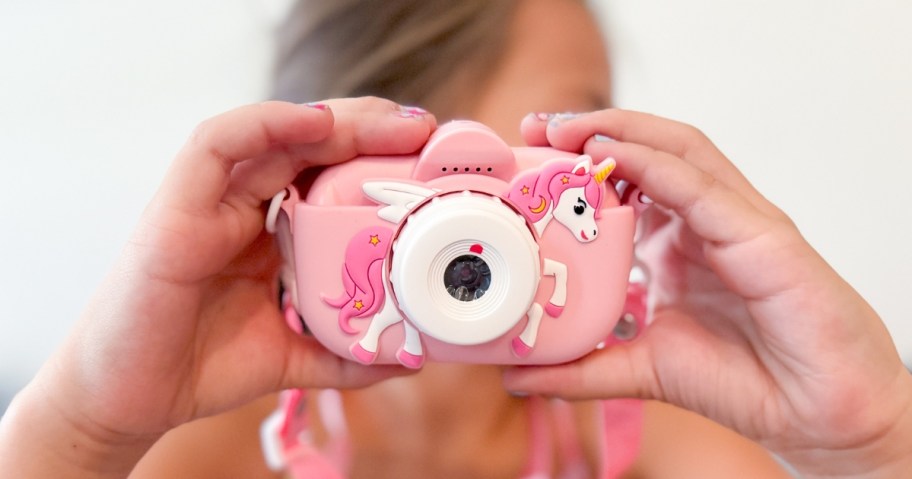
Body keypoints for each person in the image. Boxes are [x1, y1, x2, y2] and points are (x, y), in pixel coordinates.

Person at [1, 1, 910, 478]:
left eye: (592, 132)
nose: (596, 169)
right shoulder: (205, 449)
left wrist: (872, 445)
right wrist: (79, 432)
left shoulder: (640, 445)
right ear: (362, 165)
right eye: (558, 131)